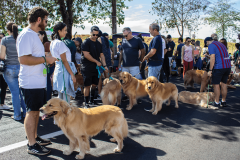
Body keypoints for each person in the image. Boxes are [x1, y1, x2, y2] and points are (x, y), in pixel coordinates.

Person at [17, 7, 56, 155]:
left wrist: (45, 60)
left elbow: (35, 58)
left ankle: (34, 137)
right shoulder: (26, 35)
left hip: (37, 81)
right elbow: (24, 59)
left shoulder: (33, 35)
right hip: (30, 82)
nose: (46, 23)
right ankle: (31, 144)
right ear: (39, 19)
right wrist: (46, 59)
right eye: (45, 20)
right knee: (31, 112)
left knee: (35, 112)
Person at [0, 22, 26, 120]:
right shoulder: (20, 39)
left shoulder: (5, 39)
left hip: (9, 69)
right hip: (21, 67)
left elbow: (2, 56)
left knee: (15, 93)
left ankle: (17, 115)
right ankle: (26, 113)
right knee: (22, 92)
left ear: (7, 30)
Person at [81, 26, 108, 108]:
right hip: (87, 66)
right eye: (94, 34)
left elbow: (102, 55)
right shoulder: (86, 42)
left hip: (95, 67)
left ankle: (92, 100)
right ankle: (86, 102)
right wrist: (96, 61)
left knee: (94, 84)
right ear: (90, 33)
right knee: (87, 85)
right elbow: (86, 55)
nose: (95, 36)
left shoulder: (98, 44)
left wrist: (105, 65)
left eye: (97, 35)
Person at [50, 22, 77, 103]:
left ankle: (62, 114)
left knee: (61, 96)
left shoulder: (53, 42)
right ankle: (66, 115)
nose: (66, 32)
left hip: (59, 69)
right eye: (64, 30)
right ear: (59, 31)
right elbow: (64, 61)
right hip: (64, 70)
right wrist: (72, 74)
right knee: (65, 98)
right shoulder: (59, 43)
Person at [205, 36, 231, 108]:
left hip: (219, 67)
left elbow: (212, 58)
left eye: (206, 44)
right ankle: (223, 101)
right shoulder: (221, 44)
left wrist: (210, 70)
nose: (207, 46)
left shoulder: (211, 45)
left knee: (216, 85)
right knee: (224, 84)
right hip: (227, 67)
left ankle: (216, 102)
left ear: (207, 42)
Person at [38, 31, 55, 101]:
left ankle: (47, 101)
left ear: (43, 35)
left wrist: (46, 66)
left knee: (47, 84)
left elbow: (48, 56)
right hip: (45, 67)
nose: (36, 36)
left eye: (38, 34)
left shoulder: (46, 44)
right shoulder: (42, 44)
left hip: (48, 67)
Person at [0, 33, 11, 110]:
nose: (2, 39)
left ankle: (2, 103)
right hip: (1, 70)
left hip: (2, 69)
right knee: (3, 86)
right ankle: (1, 104)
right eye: (1, 37)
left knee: (3, 86)